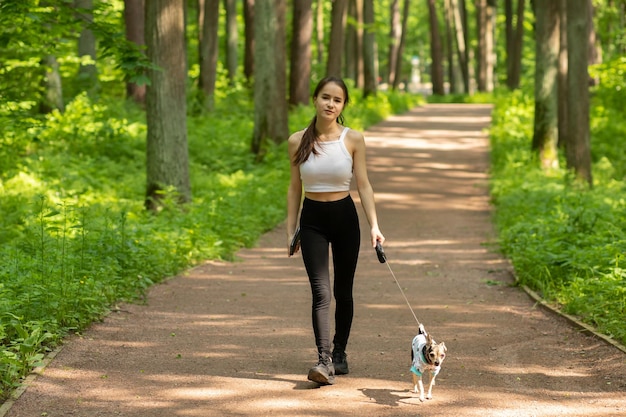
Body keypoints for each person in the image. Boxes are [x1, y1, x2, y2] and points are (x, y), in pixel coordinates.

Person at [286, 76, 385, 385]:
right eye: (325, 97)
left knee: (343, 290)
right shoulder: (297, 140)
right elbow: (293, 189)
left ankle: (339, 354)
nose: (330, 104)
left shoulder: (353, 139)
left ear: (343, 105)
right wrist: (292, 229)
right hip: (313, 219)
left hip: (344, 216)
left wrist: (375, 226)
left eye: (337, 100)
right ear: (315, 99)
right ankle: (323, 360)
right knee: (321, 291)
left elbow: (364, 184)